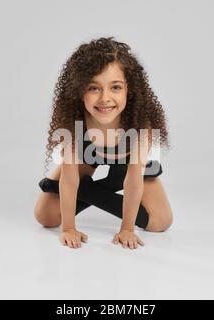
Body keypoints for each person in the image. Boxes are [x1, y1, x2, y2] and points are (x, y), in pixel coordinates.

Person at [34, 37, 173, 249]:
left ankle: (91, 189)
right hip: (88, 157)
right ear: (80, 91)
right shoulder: (74, 122)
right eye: (93, 88)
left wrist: (127, 229)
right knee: (46, 216)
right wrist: (69, 228)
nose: (105, 98)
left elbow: (134, 179)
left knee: (161, 221)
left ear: (129, 89)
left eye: (115, 87)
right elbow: (70, 179)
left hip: (129, 167)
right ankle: (93, 187)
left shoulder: (140, 125)